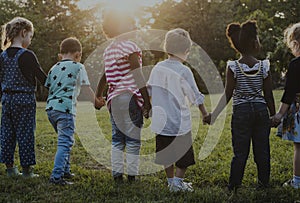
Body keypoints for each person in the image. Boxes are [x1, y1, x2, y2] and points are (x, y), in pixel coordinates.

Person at [204, 20, 275, 192]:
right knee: (262, 151)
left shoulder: (233, 67)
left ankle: (234, 186)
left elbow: (227, 94)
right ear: (254, 42)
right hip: (260, 111)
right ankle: (263, 184)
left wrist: (214, 115)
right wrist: (273, 115)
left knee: (240, 152)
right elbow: (268, 94)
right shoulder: (263, 66)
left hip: (241, 112)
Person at [147, 28, 208, 192]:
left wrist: (147, 109)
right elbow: (195, 96)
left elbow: (149, 91)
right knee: (184, 156)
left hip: (161, 122)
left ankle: (171, 182)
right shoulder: (184, 70)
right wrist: (205, 114)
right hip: (179, 122)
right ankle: (177, 183)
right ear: (186, 51)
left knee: (166, 154)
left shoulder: (158, 68)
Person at [96, 10, 151, 183]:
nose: (134, 28)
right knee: (133, 139)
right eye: (131, 24)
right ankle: (132, 176)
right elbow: (137, 74)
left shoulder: (108, 50)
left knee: (117, 138)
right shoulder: (130, 47)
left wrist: (98, 95)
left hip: (113, 100)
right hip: (129, 97)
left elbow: (104, 76)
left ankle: (117, 175)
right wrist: (147, 101)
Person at [46, 37, 105, 185]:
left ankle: (65, 170)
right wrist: (96, 102)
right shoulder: (78, 67)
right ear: (78, 55)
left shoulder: (54, 67)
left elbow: (48, 85)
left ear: (61, 55)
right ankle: (56, 176)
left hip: (51, 110)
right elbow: (85, 87)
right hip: (66, 110)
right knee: (65, 143)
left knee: (64, 140)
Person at [0, 17, 47, 178]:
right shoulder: (28, 55)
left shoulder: (3, 56)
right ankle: (27, 171)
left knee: (7, 134)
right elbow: (43, 79)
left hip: (7, 101)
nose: (30, 40)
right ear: (23, 32)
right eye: (30, 37)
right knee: (25, 134)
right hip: (24, 100)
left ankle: (10, 169)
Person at [272, 22, 300, 189]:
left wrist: (279, 115)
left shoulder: (295, 65)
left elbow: (289, 93)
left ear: (295, 44)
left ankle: (297, 182)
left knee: (299, 147)